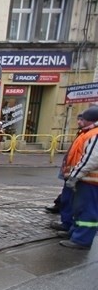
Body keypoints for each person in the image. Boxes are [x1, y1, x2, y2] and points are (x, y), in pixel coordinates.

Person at [58, 106, 98, 250]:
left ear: (90, 120)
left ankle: (81, 240)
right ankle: (75, 233)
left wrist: (74, 176)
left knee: (88, 211)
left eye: (83, 119)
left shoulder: (94, 134)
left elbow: (91, 159)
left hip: (91, 181)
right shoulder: (87, 133)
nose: (80, 121)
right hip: (85, 179)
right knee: (79, 208)